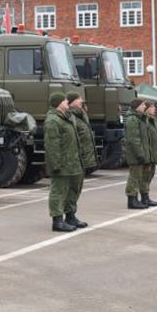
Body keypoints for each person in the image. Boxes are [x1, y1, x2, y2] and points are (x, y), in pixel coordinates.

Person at [44, 91, 84, 232]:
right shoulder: (53, 120)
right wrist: (55, 165)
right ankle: (57, 221)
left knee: (73, 189)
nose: (67, 102)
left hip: (72, 161)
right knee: (58, 191)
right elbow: (52, 145)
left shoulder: (66, 117)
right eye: (64, 100)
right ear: (58, 103)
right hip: (61, 163)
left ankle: (70, 216)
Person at [63, 92, 93, 228]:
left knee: (77, 187)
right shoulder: (71, 117)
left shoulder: (81, 115)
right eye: (79, 99)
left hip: (81, 158)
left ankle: (72, 215)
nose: (82, 100)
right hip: (74, 157)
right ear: (72, 102)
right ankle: (68, 216)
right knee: (71, 188)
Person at [121, 98, 151, 209]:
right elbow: (134, 139)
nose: (144, 107)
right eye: (143, 105)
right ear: (137, 106)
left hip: (140, 153)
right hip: (135, 154)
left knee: (139, 176)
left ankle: (136, 199)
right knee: (134, 177)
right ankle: (132, 200)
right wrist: (140, 154)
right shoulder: (132, 119)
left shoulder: (140, 118)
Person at [141, 97, 157, 207]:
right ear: (147, 108)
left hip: (153, 152)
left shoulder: (152, 120)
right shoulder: (145, 121)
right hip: (148, 152)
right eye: (152, 107)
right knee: (145, 175)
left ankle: (146, 196)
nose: (155, 109)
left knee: (150, 174)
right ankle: (144, 197)